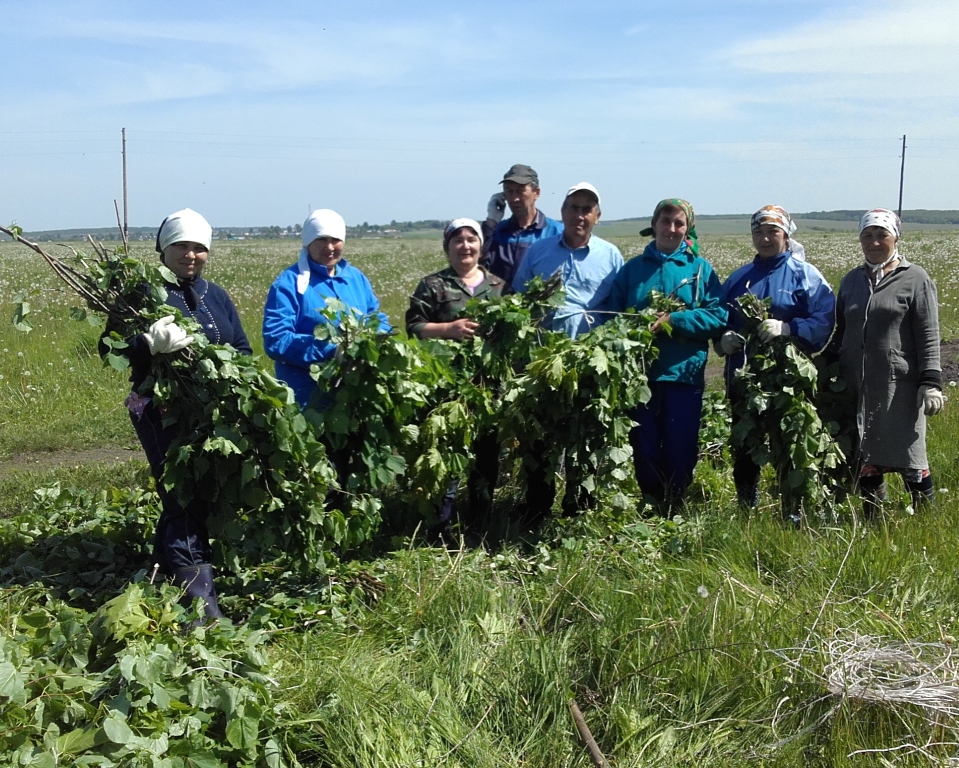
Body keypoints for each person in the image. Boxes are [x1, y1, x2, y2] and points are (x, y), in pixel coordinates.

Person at [123, 208, 252, 622]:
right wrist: (147, 343)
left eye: (200, 247)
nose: (191, 254)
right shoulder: (141, 294)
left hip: (209, 411)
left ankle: (161, 570)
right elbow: (112, 349)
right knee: (184, 493)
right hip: (159, 409)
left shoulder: (217, 295)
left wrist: (231, 374)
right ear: (164, 248)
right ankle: (201, 604)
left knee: (193, 492)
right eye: (182, 245)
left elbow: (244, 350)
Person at [512, 182, 624, 521]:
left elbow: (617, 311)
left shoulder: (611, 256)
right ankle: (536, 510)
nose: (579, 215)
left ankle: (580, 512)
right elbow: (519, 301)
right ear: (562, 213)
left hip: (590, 364)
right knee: (540, 441)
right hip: (543, 362)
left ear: (597, 217)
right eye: (573, 208)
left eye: (587, 209)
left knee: (585, 439)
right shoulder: (538, 251)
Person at [609, 198, 726, 508]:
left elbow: (718, 315)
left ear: (688, 228)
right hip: (640, 374)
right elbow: (611, 315)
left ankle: (676, 502)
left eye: (679, 223)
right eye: (665, 221)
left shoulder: (700, 270)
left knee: (680, 443)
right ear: (654, 224)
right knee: (643, 443)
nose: (671, 228)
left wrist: (676, 320)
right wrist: (632, 329)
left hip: (682, 372)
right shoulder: (633, 269)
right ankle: (650, 501)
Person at [717, 205, 835, 509]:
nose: (765, 238)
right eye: (759, 232)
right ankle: (747, 505)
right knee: (745, 444)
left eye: (773, 232)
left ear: (786, 235)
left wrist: (789, 327)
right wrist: (722, 341)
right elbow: (718, 319)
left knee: (791, 443)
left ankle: (793, 510)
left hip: (789, 382)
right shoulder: (738, 278)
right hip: (746, 379)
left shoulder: (805, 275)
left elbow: (825, 319)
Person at [829, 208, 943, 513]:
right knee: (867, 454)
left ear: (896, 238)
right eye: (868, 235)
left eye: (882, 235)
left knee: (910, 454)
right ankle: (873, 522)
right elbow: (842, 330)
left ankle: (927, 521)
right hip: (858, 384)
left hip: (900, 386)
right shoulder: (852, 280)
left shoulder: (915, 278)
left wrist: (931, 381)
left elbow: (928, 333)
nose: (874, 242)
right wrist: (826, 365)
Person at [406, 218, 506, 542]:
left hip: (488, 388)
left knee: (486, 458)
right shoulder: (433, 285)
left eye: (471, 239)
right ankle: (440, 528)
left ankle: (481, 524)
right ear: (447, 247)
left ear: (481, 245)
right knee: (446, 456)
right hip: (447, 387)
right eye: (457, 240)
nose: (465, 246)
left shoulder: (498, 286)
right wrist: (448, 330)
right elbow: (414, 327)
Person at [263, 209, 388, 409]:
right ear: (308, 242)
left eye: (335, 240)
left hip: (356, 396)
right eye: (322, 239)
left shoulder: (355, 278)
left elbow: (375, 316)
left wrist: (383, 339)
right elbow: (276, 340)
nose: (329, 247)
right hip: (307, 398)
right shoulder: (288, 283)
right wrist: (332, 350)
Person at [482, 163, 562, 285]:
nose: (514, 199)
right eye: (509, 191)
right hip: (501, 302)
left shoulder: (556, 232)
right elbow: (476, 265)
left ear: (537, 193)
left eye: (520, 191)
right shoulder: (497, 232)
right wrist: (491, 220)